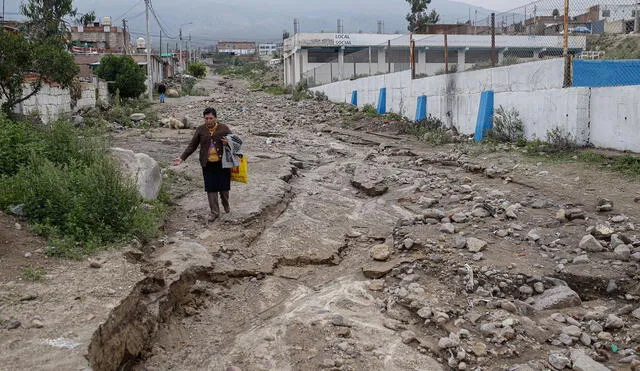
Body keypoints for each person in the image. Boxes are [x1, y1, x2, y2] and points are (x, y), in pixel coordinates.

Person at [173, 107, 232, 221]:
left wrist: (227, 143)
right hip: (207, 163)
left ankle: (226, 204)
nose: (208, 121)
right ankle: (214, 212)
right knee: (211, 188)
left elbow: (235, 141)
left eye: (211, 118)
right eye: (206, 118)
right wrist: (182, 158)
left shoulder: (224, 128)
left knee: (224, 188)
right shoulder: (200, 130)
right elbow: (192, 145)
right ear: (204, 118)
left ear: (215, 118)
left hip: (222, 163)